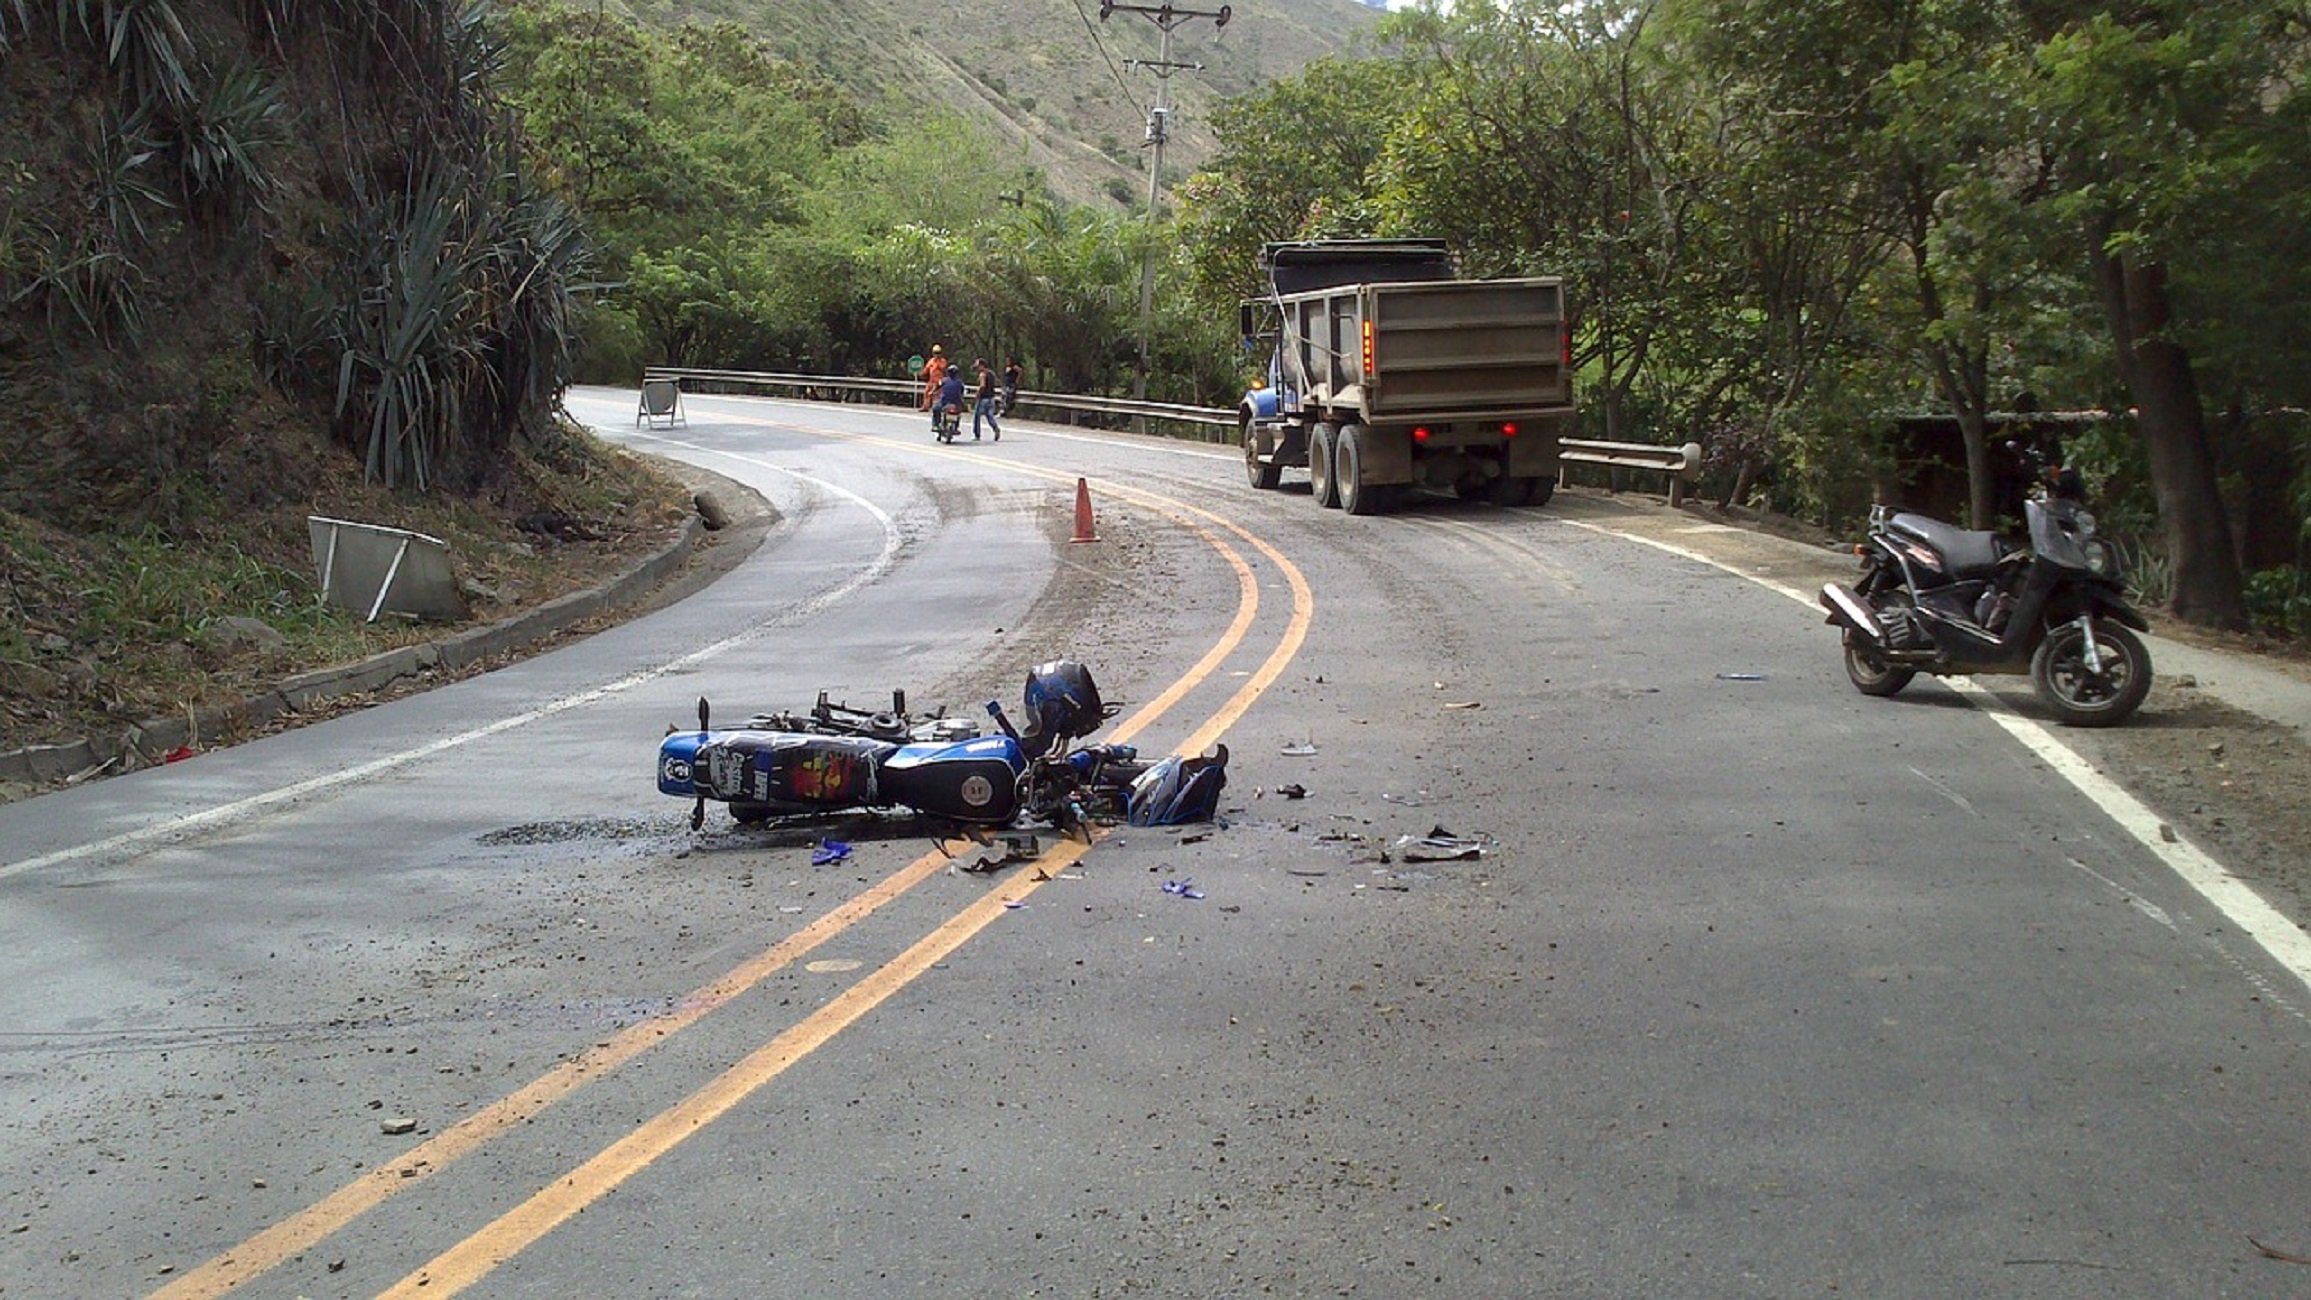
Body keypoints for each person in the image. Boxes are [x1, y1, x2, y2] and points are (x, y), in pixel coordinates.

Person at [919, 344, 950, 429]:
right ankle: (925, 406)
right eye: (935, 353)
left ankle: (936, 407)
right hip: (931, 380)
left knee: (938, 396)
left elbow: (944, 369)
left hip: (939, 381)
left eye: (938, 353)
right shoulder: (931, 361)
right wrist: (922, 373)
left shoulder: (942, 361)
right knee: (926, 392)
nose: (937, 355)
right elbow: (927, 369)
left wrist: (937, 365)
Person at [972, 358, 1002, 442]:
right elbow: (997, 382)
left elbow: (982, 386)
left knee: (977, 416)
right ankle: (995, 428)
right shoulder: (991, 373)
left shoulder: (982, 374)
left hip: (983, 399)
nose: (977, 368)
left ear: (982, 365)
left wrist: (978, 394)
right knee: (990, 416)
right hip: (991, 398)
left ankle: (977, 434)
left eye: (978, 366)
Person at [934, 366, 966, 438]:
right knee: (959, 413)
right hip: (956, 403)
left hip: (945, 402)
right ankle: (956, 426)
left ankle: (935, 425)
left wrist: (933, 392)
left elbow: (937, 386)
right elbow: (963, 391)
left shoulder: (944, 380)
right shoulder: (960, 382)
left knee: (935, 409)